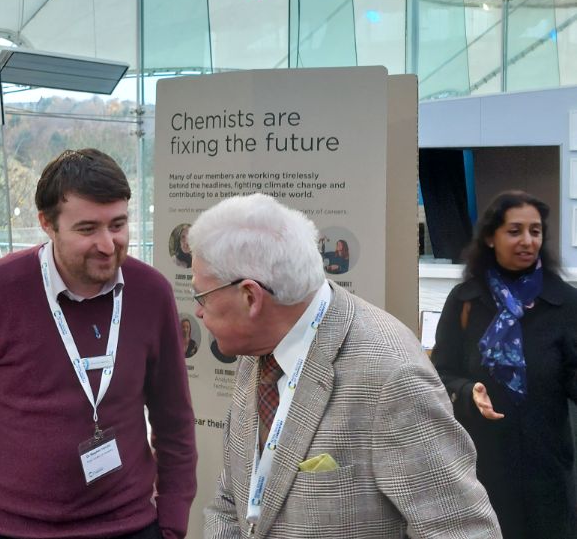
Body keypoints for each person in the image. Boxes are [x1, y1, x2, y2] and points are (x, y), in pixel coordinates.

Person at [189, 193, 500, 539]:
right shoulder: (256, 345)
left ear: (251, 297)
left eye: (202, 296)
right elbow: (232, 498)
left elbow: (461, 529)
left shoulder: (390, 374)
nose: (198, 311)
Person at [0, 148, 197, 539]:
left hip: (128, 525)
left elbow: (175, 422)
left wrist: (172, 524)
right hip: (9, 529)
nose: (108, 244)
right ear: (47, 224)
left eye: (118, 225)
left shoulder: (151, 293)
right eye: (87, 229)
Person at [431, 190, 577, 538]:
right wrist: (468, 392)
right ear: (490, 238)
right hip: (482, 465)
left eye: (535, 231)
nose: (527, 241)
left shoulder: (564, 302)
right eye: (514, 231)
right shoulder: (465, 301)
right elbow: (439, 375)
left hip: (547, 467)